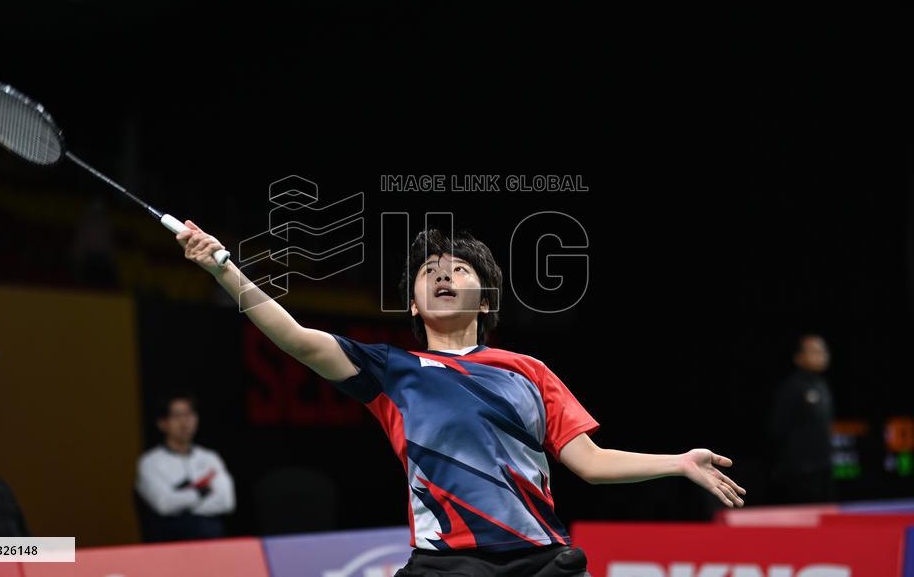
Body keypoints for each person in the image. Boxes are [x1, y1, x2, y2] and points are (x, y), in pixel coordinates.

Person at [177, 222, 746, 576]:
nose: (442, 275)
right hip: (446, 564)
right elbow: (296, 339)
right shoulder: (391, 371)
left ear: (486, 298)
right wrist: (223, 267)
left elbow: (591, 463)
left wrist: (677, 462)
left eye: (458, 269)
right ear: (413, 305)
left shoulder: (527, 371)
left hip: (540, 561)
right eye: (429, 271)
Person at [135, 392, 236, 541]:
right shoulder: (150, 462)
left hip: (211, 539)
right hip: (170, 542)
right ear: (162, 423)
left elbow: (226, 502)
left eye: (189, 414)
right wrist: (202, 492)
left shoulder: (211, 458)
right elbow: (164, 504)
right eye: (176, 416)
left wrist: (181, 501)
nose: (184, 422)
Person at [766, 333, 836, 504]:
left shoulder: (822, 386)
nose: (822, 355)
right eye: (814, 351)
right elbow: (777, 429)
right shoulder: (791, 388)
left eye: (823, 351)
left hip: (823, 470)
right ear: (798, 358)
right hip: (798, 474)